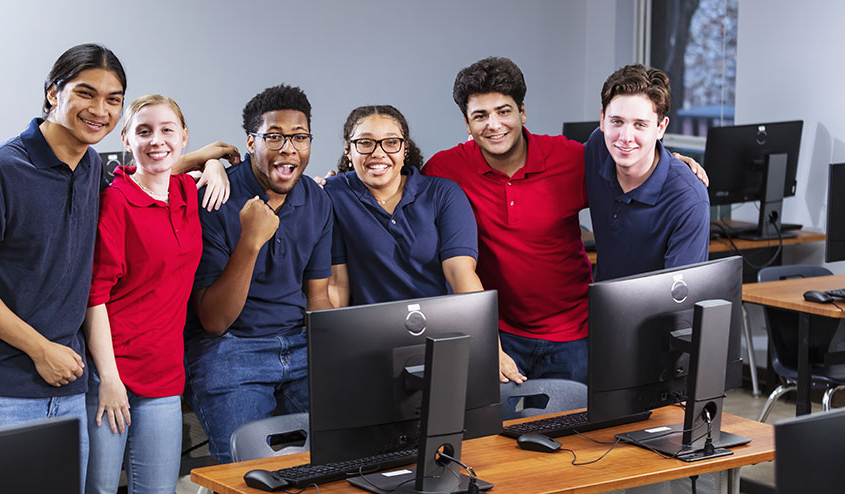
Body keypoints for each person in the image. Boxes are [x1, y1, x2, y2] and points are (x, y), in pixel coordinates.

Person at [423, 57, 708, 385]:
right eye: (480, 116)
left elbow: (633, 153)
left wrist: (673, 163)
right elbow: (405, 192)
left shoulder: (573, 159)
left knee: (582, 431)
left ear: (522, 112)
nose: (494, 125)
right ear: (466, 122)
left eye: (504, 111)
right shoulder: (444, 170)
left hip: (576, 335)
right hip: (501, 335)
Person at [0, 44, 128, 489]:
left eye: (113, 99)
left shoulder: (92, 165)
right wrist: (40, 349)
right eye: (86, 93)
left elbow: (141, 176)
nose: (100, 110)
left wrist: (206, 162)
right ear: (52, 93)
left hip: (66, 395)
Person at [83, 95, 230, 493]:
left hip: (164, 375)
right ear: (126, 141)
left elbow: (218, 158)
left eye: (167, 130)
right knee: (99, 489)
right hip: (112, 372)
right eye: (144, 132)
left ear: (184, 137)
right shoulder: (115, 200)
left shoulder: (186, 192)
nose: (157, 141)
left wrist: (213, 163)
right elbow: (94, 298)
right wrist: (109, 379)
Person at [186, 84, 334, 463]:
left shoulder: (317, 200)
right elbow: (214, 321)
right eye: (275, 137)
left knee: (346, 449)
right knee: (250, 472)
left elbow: (317, 296)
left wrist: (337, 358)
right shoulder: (214, 196)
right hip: (231, 349)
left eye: (300, 137)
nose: (289, 148)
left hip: (299, 345)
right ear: (250, 142)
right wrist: (250, 242)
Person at [325, 105, 482, 307]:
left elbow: (460, 273)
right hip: (368, 332)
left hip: (440, 326)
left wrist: (485, 336)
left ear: (405, 149)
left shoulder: (442, 193)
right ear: (348, 149)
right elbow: (337, 283)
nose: (378, 153)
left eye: (391, 143)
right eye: (365, 143)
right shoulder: (333, 196)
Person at [585, 64, 709, 280]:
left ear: (660, 128)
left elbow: (682, 300)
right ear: (603, 119)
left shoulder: (688, 199)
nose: (625, 136)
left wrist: (677, 169)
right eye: (617, 121)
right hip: (602, 309)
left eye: (640, 125)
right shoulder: (598, 147)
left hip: (659, 312)